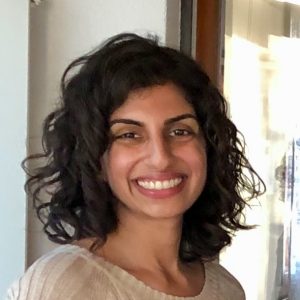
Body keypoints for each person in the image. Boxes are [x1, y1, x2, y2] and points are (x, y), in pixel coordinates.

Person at [6, 33, 265, 300]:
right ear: (96, 160)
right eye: (129, 135)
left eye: (180, 131)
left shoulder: (226, 290)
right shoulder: (62, 286)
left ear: (209, 148)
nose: (160, 157)